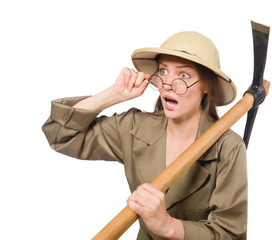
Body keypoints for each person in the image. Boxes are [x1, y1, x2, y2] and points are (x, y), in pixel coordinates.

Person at [42, 31, 247, 240]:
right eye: (164, 71)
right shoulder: (134, 128)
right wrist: (113, 94)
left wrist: (168, 226)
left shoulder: (228, 147)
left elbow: (231, 234)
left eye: (184, 75)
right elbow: (60, 134)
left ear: (206, 86)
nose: (167, 84)